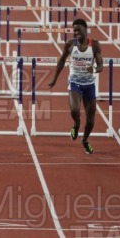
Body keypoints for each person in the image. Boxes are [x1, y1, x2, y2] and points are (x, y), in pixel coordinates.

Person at [48, 18, 103, 154]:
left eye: (79, 30)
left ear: (86, 29)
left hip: (89, 84)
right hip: (75, 82)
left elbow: (101, 65)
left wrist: (94, 69)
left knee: (90, 121)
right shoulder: (70, 44)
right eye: (75, 30)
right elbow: (61, 60)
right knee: (74, 110)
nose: (77, 32)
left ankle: (84, 140)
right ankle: (76, 124)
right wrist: (55, 79)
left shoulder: (95, 45)